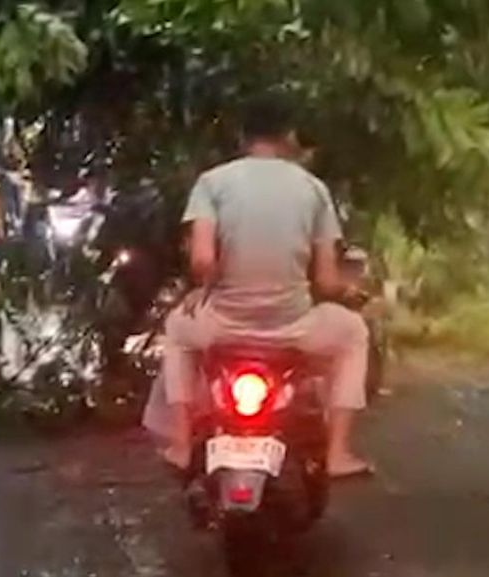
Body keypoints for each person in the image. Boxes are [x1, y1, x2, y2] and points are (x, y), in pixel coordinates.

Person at [142, 96, 373, 479]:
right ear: (289, 136)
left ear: (242, 137)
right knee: (354, 335)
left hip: (223, 324)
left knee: (179, 331)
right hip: (292, 328)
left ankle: (181, 444)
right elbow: (327, 281)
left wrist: (205, 288)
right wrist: (349, 295)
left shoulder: (212, 183)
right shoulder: (313, 189)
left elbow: (201, 260)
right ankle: (338, 453)